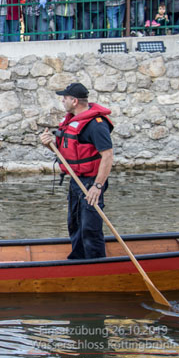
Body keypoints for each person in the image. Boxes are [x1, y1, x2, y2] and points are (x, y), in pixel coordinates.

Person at [40, 83, 114, 260]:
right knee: (75, 224)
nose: (62, 100)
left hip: (91, 183)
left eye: (64, 98)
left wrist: (97, 186)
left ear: (74, 101)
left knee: (90, 228)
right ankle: (79, 261)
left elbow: (108, 155)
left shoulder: (96, 125)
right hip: (76, 181)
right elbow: (69, 154)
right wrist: (49, 144)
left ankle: (97, 264)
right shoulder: (72, 122)